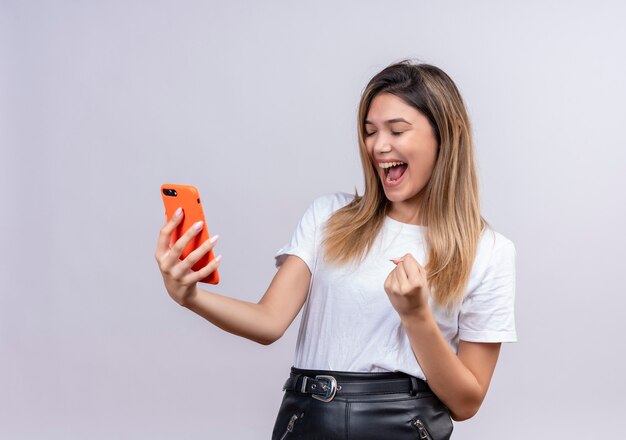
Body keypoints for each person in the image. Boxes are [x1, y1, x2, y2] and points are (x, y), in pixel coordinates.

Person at [154, 59, 517, 440]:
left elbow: (466, 402)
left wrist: (416, 316)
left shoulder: (489, 251)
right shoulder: (329, 216)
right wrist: (190, 296)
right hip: (306, 420)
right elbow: (268, 322)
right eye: (370, 131)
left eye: (397, 130)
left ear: (446, 135)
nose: (379, 146)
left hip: (404, 427)